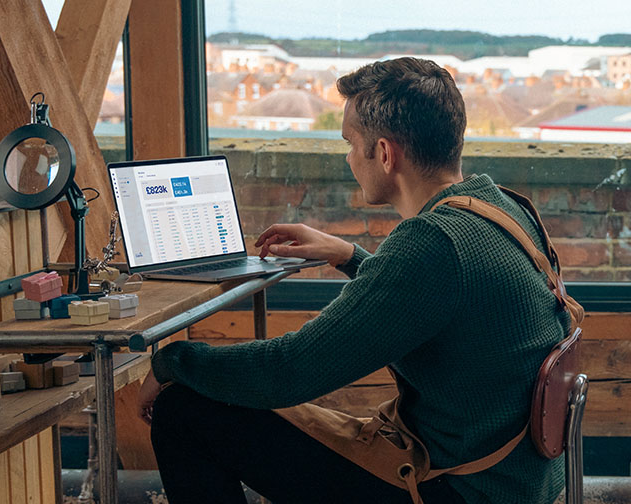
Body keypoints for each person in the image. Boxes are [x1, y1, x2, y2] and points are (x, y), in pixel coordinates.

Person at [138, 57, 571, 504]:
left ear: (384, 154)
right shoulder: (501, 208)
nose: (347, 156)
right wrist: (347, 254)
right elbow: (432, 300)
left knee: (183, 410)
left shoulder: (432, 243)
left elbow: (289, 371)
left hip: (455, 488)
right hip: (515, 478)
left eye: (350, 142)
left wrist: (172, 361)